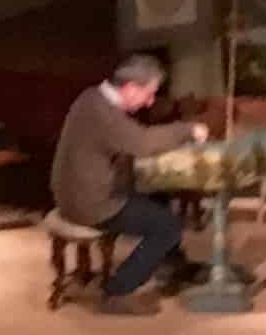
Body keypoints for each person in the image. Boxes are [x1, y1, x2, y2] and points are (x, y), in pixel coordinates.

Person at [55, 53, 204, 314]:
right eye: (148, 93)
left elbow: (126, 144)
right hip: (90, 203)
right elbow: (141, 142)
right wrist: (188, 130)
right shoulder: (103, 113)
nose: (150, 101)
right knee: (168, 227)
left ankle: (170, 263)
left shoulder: (91, 97)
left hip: (77, 192)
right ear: (130, 88)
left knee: (159, 197)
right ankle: (117, 292)